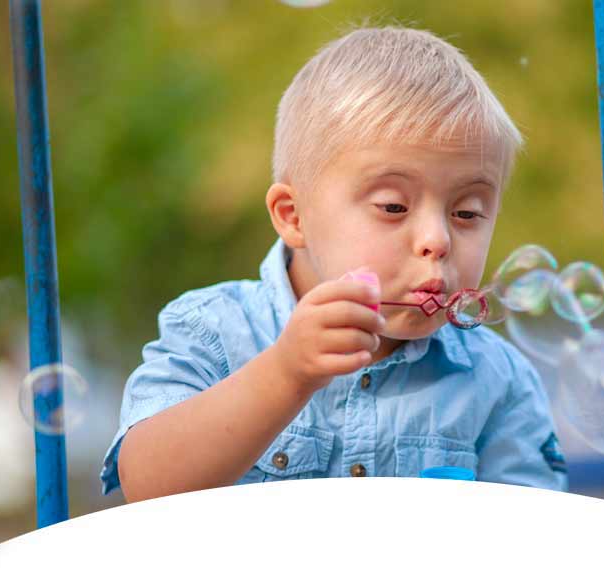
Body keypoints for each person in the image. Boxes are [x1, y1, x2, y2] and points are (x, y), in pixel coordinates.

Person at [101, 26, 567, 503]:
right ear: (294, 217)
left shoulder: (497, 377)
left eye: (467, 212)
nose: (437, 239)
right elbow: (147, 486)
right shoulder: (212, 331)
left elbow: (534, 535)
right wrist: (286, 374)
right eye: (392, 206)